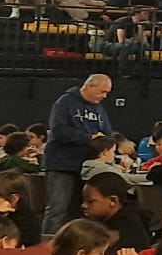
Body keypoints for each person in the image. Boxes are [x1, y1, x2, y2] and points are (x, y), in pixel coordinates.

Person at [43, 71, 115, 233]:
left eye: (107, 93)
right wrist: (89, 138)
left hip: (86, 168)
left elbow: (108, 133)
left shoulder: (99, 109)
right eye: (102, 91)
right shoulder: (65, 102)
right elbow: (58, 130)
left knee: (80, 211)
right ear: (90, 85)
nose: (104, 96)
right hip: (62, 164)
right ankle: (46, 247)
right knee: (57, 209)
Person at [81, 170, 151, 255]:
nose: (84, 205)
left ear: (113, 201)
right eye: (84, 201)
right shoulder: (99, 220)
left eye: (90, 201)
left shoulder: (128, 226)